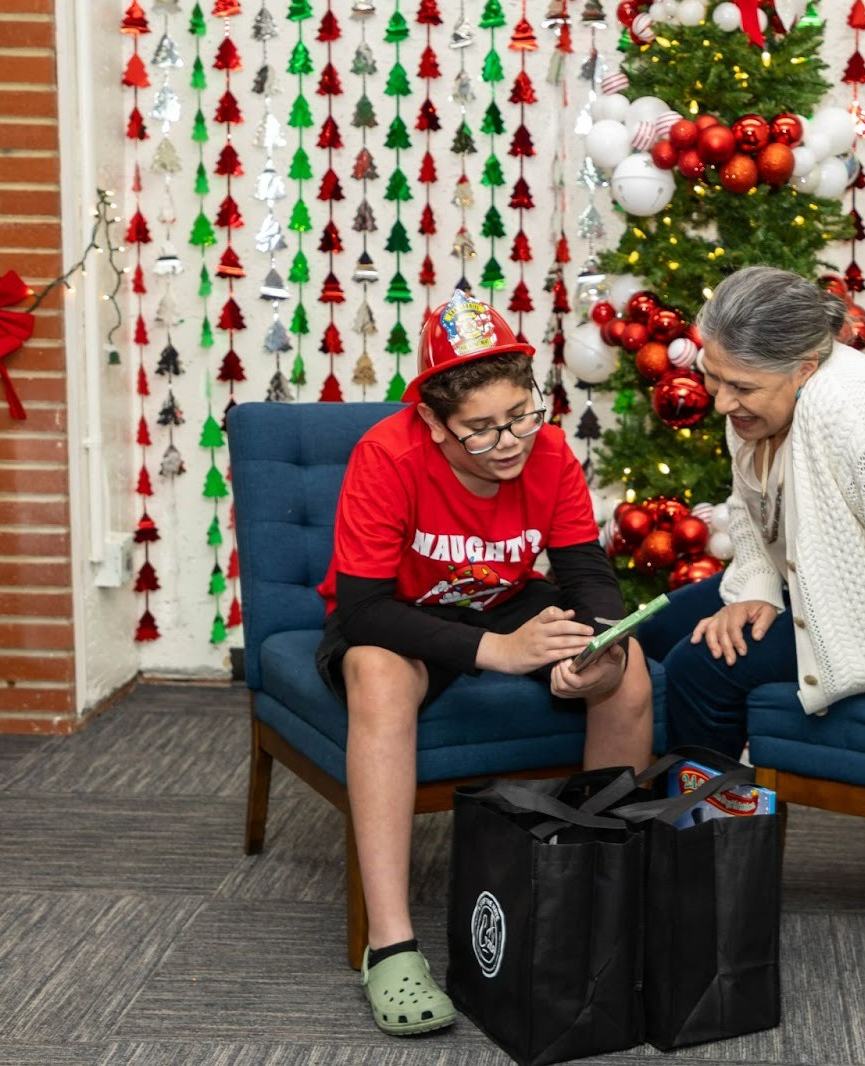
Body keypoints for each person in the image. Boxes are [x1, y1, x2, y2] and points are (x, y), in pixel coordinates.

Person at [314, 291, 653, 1036]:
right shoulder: (387, 455)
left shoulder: (551, 451)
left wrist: (595, 646)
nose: (510, 442)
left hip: (499, 600)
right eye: (482, 430)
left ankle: (600, 901)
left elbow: (586, 573)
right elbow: (364, 608)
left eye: (522, 415)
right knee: (374, 673)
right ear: (434, 423)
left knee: (627, 672)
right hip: (401, 613)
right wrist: (499, 653)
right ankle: (391, 946)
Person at [636, 266, 865, 787]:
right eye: (712, 376)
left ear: (805, 368)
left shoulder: (857, 419)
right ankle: (646, 813)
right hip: (808, 584)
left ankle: (707, 848)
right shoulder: (753, 396)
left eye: (740, 387)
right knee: (646, 634)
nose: (720, 402)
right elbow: (747, 508)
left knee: (701, 668)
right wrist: (757, 588)